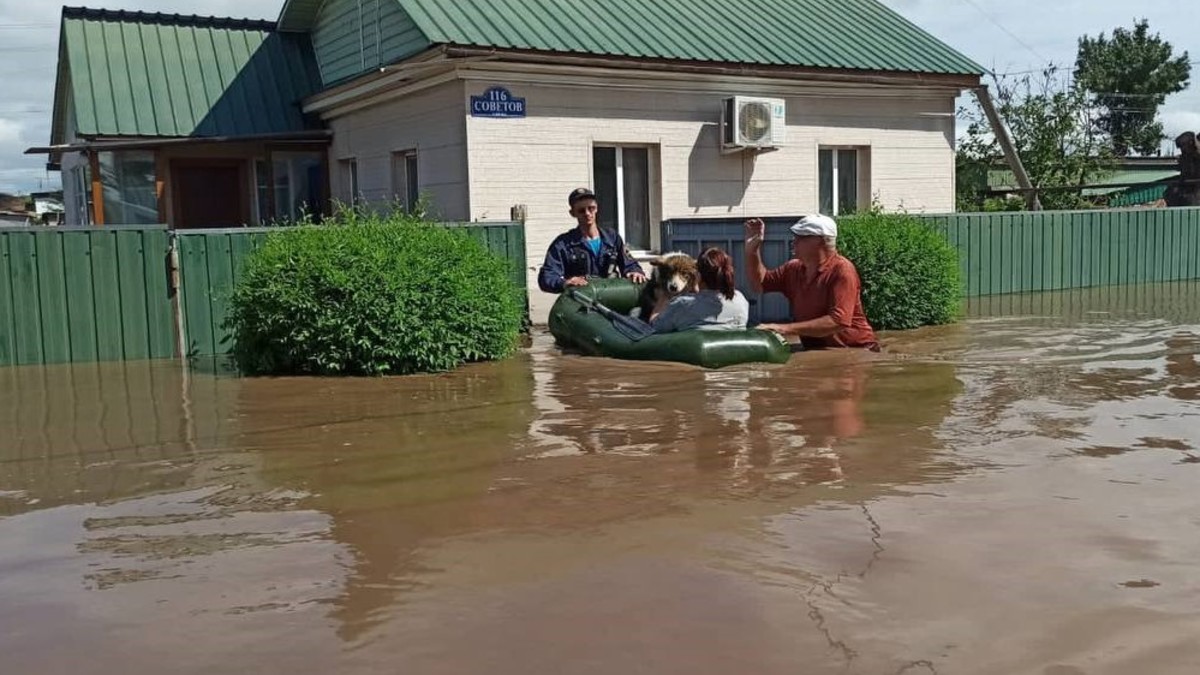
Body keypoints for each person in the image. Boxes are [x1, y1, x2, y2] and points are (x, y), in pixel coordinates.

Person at [743, 213, 879, 351]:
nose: (794, 241)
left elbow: (837, 321)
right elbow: (759, 285)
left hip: (856, 350)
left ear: (821, 241)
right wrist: (752, 251)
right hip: (821, 351)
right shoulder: (792, 269)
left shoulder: (842, 270)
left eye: (801, 237)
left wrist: (783, 328)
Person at [537, 187, 646, 293]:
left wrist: (635, 272)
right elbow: (547, 277)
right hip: (581, 302)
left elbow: (629, 264)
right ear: (572, 213)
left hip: (612, 297)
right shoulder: (563, 244)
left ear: (597, 208)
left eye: (591, 208)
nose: (587, 213)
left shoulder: (612, 238)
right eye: (581, 210)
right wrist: (564, 283)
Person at [651, 247, 749, 333]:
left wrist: (664, 296)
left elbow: (654, 326)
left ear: (698, 275)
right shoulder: (740, 300)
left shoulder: (683, 304)